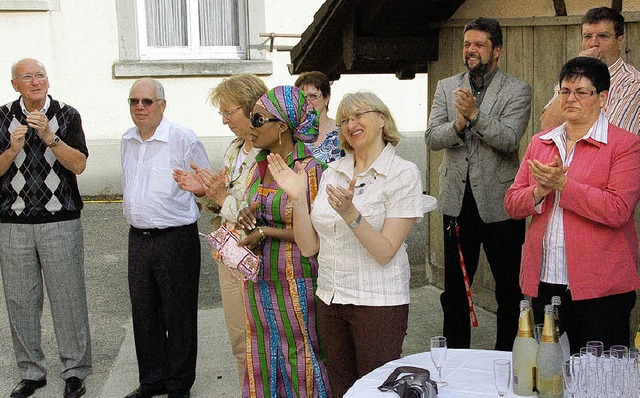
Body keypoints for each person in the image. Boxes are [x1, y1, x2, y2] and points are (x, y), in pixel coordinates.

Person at [270, 90, 423, 397]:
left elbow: (384, 252)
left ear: (382, 119)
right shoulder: (334, 172)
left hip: (377, 304)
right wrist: (299, 199)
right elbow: (310, 246)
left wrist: (351, 214)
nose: (350, 123)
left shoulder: (403, 173)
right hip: (331, 298)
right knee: (342, 388)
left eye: (359, 115)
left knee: (376, 390)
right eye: (343, 120)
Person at [505, 56, 640, 354]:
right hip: (545, 280)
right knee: (550, 374)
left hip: (602, 287)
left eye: (582, 92)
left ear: (603, 97)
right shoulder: (542, 142)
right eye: (565, 91)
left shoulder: (625, 144)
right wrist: (539, 190)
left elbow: (618, 210)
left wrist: (564, 186)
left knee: (599, 376)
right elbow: (512, 205)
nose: (571, 99)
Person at [425, 17, 531, 351]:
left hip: (501, 204)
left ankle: (507, 357)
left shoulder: (518, 90)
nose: (471, 50)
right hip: (457, 203)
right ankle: (455, 359)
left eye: (479, 45)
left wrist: (475, 116)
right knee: (455, 288)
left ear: (496, 51)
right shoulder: (446, 86)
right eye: (467, 44)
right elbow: (432, 137)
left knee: (508, 289)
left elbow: (510, 139)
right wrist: (457, 124)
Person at [0, 58, 91, 398]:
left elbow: (79, 165)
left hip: (60, 220)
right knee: (20, 301)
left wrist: (50, 138)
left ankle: (75, 371)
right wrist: (12, 149)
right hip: (13, 222)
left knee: (68, 298)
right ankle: (31, 372)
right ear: (15, 85)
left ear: (48, 81)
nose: (35, 82)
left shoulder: (67, 115)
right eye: (27, 77)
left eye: (40, 75)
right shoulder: (2, 116)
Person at [235, 85, 331, 398]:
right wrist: (249, 216)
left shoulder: (310, 168)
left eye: (258, 119)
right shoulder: (258, 165)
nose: (251, 126)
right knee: (262, 349)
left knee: (300, 350)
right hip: (259, 278)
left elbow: (316, 234)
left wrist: (265, 232)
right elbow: (259, 210)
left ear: (282, 127)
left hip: (296, 277)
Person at [173, 73, 267, 390]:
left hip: (261, 258)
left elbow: (258, 215)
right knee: (240, 342)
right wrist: (205, 193)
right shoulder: (234, 148)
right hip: (230, 257)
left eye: (229, 111)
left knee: (266, 343)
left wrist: (219, 197)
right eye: (222, 113)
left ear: (252, 107)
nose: (224, 120)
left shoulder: (272, 152)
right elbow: (227, 200)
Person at [121, 78, 210, 398]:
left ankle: (178, 383)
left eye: (147, 101)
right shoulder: (127, 140)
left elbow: (206, 183)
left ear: (162, 104)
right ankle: (152, 380)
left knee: (179, 312)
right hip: (138, 239)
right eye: (134, 101)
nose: (140, 107)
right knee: (144, 312)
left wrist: (197, 188)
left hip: (175, 238)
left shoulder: (181, 138)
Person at [541, 7, 640, 134]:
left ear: (620, 42)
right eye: (587, 36)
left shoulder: (633, 83)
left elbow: (611, 137)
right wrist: (578, 70)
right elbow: (547, 127)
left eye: (603, 36)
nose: (593, 43)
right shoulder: (572, 77)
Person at [295, 71, 344, 163]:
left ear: (327, 97)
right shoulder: (293, 134)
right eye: (301, 97)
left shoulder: (343, 132)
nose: (307, 102)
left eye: (313, 96)